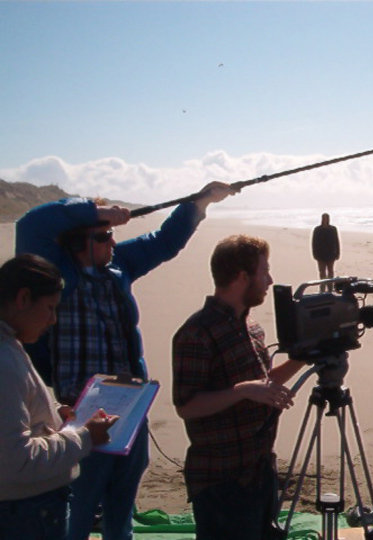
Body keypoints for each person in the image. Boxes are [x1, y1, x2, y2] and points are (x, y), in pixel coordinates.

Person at [14, 181, 233, 540]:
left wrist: (199, 202)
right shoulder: (54, 272)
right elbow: (31, 225)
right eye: (102, 236)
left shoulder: (119, 266)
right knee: (80, 508)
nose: (112, 242)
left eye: (112, 235)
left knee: (121, 510)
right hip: (80, 411)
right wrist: (96, 211)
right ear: (77, 240)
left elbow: (164, 241)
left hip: (130, 406)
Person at [172, 234, 304, 540]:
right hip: (221, 480)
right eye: (264, 271)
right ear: (242, 276)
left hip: (260, 471)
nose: (270, 280)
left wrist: (302, 359)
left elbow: (263, 383)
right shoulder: (197, 333)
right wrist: (241, 391)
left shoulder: (251, 326)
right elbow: (186, 406)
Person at [0, 254, 117, 540]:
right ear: (23, 298)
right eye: (50, 308)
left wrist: (54, 412)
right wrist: (86, 437)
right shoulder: (3, 359)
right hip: (26, 515)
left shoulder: (10, 343)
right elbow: (17, 461)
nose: (53, 320)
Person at [311, 213, 340, 292]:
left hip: (331, 254)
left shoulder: (333, 229)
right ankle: (322, 288)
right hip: (320, 255)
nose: (325, 220)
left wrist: (338, 253)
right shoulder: (317, 229)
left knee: (330, 272)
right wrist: (314, 254)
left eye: (327, 218)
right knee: (322, 272)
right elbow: (314, 243)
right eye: (324, 218)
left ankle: (330, 288)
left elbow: (337, 241)